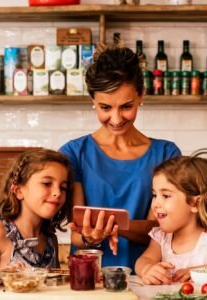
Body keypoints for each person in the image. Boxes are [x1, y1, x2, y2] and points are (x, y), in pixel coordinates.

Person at [59, 45, 181, 270]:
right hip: (89, 278)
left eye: (126, 106)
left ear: (141, 96)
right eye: (105, 107)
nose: (116, 119)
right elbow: (76, 233)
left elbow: (161, 229)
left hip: (149, 276)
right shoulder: (73, 153)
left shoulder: (167, 154)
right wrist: (90, 237)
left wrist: (109, 225)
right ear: (93, 100)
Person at [0, 148, 74, 269]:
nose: (57, 193)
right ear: (18, 191)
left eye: (63, 187)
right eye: (47, 183)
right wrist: (3, 277)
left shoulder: (50, 239)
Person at [135, 156, 207, 285]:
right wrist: (147, 269)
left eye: (166, 196)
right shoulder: (161, 237)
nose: (156, 204)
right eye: (155, 195)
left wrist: (199, 271)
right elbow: (145, 259)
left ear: (195, 204)